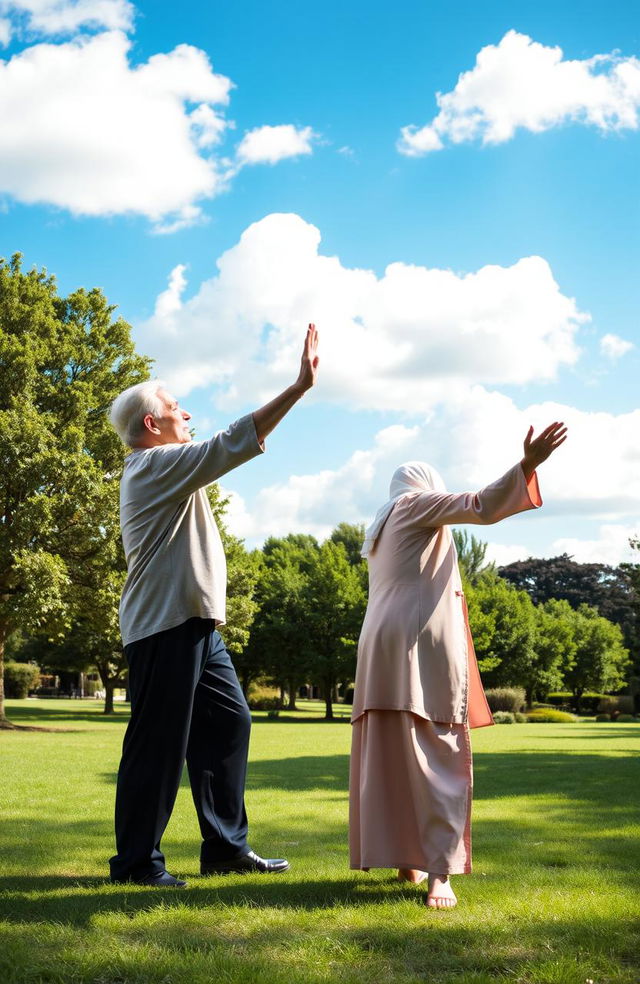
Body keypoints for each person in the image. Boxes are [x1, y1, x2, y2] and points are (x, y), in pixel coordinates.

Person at [108, 325, 319, 887]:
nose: (188, 414)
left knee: (229, 723)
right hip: (164, 626)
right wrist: (298, 388)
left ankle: (225, 848)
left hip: (197, 624)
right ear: (152, 425)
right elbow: (230, 442)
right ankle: (135, 865)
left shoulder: (169, 469)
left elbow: (218, 446)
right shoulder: (151, 466)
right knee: (158, 745)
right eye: (177, 409)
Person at [349, 422, 567, 909]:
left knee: (389, 750)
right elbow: (482, 506)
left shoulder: (381, 524)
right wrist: (528, 464)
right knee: (438, 750)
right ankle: (439, 873)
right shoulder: (416, 505)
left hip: (379, 645)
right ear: (427, 485)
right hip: (417, 642)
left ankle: (404, 857)